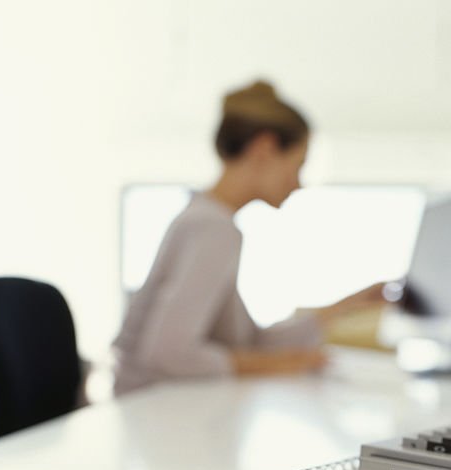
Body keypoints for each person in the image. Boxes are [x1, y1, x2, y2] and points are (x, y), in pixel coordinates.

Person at [112, 80, 386, 395]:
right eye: (298, 165)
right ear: (265, 148)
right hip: (147, 416)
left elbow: (248, 343)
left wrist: (347, 306)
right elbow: (169, 354)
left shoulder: (208, 218)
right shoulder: (213, 228)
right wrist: (284, 364)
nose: (298, 183)